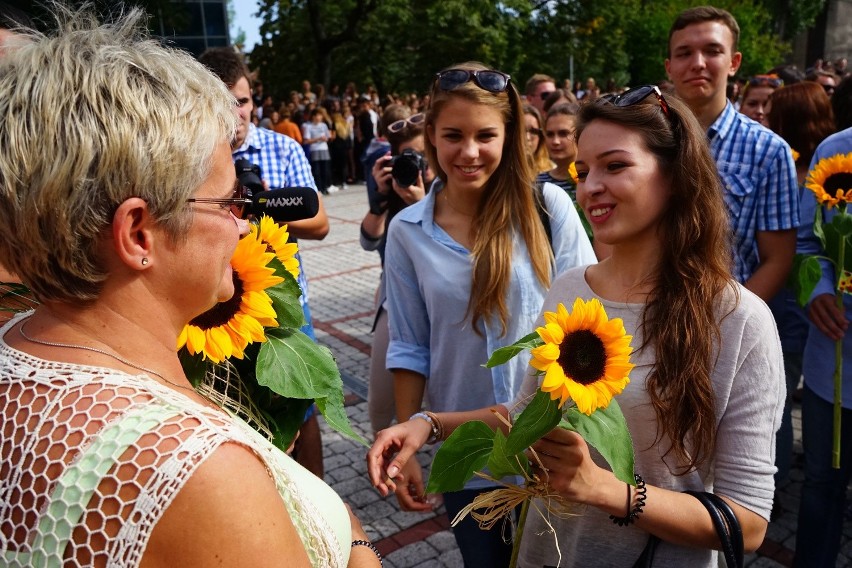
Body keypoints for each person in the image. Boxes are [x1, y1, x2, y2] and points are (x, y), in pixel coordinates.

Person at [0, 8, 381, 568]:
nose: (245, 225)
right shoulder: (197, 471)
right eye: (228, 202)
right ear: (137, 233)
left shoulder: (18, 341)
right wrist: (353, 538)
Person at [368, 85, 784, 567]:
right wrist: (427, 424)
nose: (590, 188)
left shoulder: (738, 319)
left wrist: (609, 490)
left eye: (615, 166)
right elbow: (528, 413)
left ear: (674, 175)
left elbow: (748, 523)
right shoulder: (571, 290)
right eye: (583, 172)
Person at [379, 62, 595, 567]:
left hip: (556, 443)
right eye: (453, 135)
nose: (469, 152)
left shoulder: (547, 209)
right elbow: (410, 344)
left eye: (485, 136)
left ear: (510, 134)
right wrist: (406, 437)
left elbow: (589, 321)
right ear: (430, 135)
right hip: (469, 455)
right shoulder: (408, 231)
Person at [197, 46, 330, 478]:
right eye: (225, 102)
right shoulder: (192, 155)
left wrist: (265, 208)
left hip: (284, 299)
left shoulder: (282, 149)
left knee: (301, 402)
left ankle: (319, 496)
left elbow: (320, 222)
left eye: (244, 100)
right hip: (214, 308)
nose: (238, 112)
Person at [665, 6, 799, 303]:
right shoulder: (643, 141)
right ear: (669, 66)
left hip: (729, 322)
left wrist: (728, 323)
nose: (698, 63)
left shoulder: (769, 150)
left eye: (712, 51)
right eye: (684, 53)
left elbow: (777, 259)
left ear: (733, 62)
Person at [764, 81, 835, 511]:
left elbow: (804, 246)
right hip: (801, 305)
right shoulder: (813, 167)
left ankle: (773, 479)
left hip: (791, 305)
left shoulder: (811, 174)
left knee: (779, 396)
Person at [793, 127, 852, 568]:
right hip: (833, 365)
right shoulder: (836, 152)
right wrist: (818, 292)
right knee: (821, 486)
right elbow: (806, 242)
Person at [360, 110, 435, 434]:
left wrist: (423, 203)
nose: (413, 163)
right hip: (394, 298)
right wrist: (379, 201)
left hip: (437, 299)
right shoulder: (391, 187)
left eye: (419, 155)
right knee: (381, 396)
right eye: (405, 155)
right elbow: (368, 240)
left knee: (436, 394)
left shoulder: (448, 193)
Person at [522, 103, 551, 173]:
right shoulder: (496, 170)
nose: (527, 137)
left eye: (533, 131)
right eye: (521, 130)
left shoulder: (552, 171)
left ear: (541, 137)